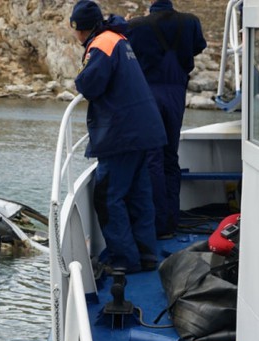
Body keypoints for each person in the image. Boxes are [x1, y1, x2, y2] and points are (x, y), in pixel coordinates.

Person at [70, 0, 167, 272]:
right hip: (142, 130)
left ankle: (124, 260)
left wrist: (79, 77)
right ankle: (147, 255)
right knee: (138, 194)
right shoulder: (119, 39)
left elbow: (90, 84)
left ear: (81, 28)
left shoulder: (101, 44)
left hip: (121, 133)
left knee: (108, 196)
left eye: (75, 28)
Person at [126, 1, 207, 239]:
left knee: (152, 158)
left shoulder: (137, 26)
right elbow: (198, 47)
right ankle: (172, 220)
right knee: (171, 156)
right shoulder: (191, 22)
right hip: (176, 94)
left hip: (149, 95)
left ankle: (156, 224)